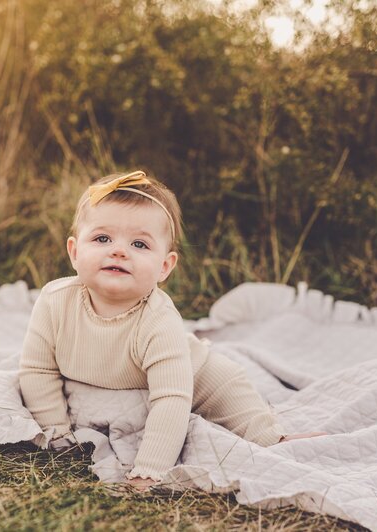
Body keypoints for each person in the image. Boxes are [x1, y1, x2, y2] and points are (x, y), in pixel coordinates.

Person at [18, 170, 322, 490]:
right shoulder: (54, 302)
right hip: (111, 380)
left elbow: (171, 400)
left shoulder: (159, 320)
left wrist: (149, 469)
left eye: (139, 243)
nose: (119, 251)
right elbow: (37, 370)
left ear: (165, 266)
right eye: (102, 238)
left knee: (230, 388)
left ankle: (273, 437)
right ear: (74, 251)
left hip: (192, 374)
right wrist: (56, 433)